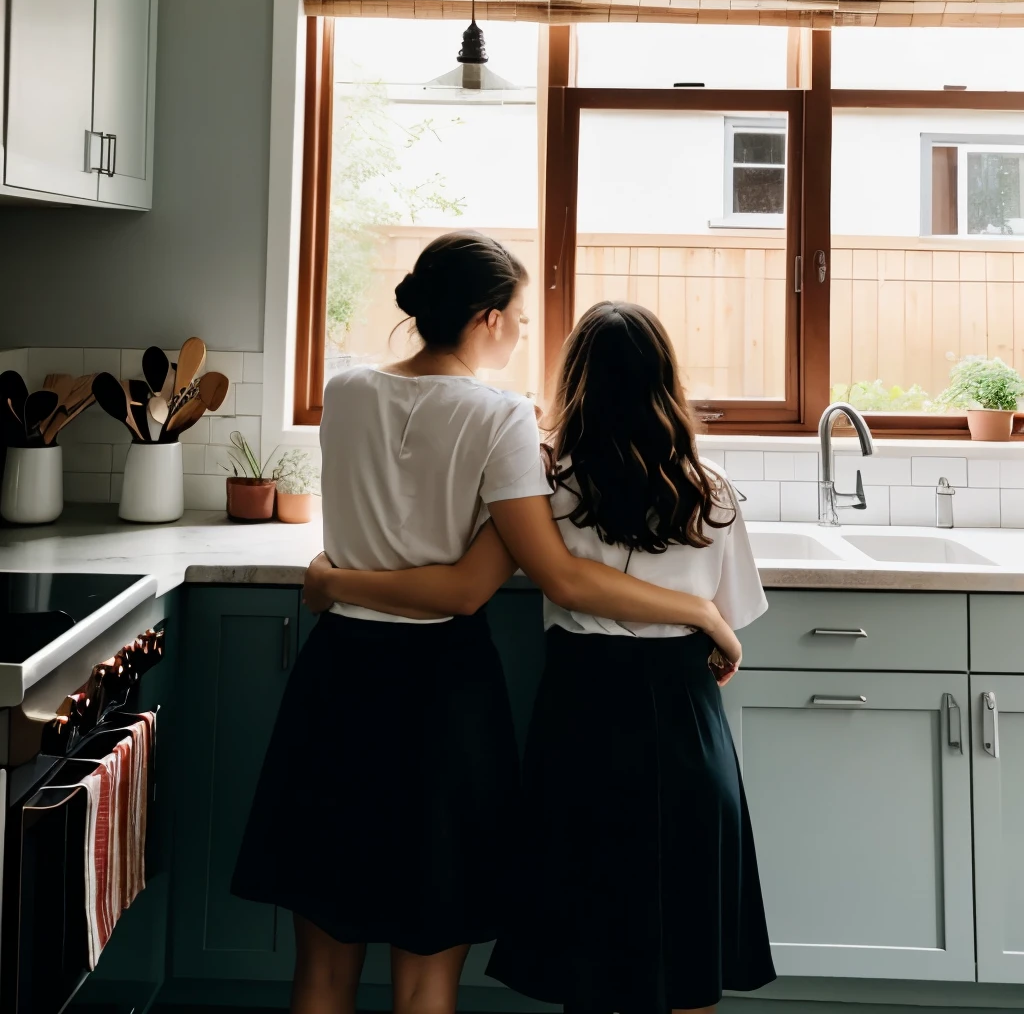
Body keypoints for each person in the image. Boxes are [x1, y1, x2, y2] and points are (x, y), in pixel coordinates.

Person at [232, 235, 743, 1014]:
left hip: (335, 678)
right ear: (488, 318)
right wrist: (702, 610)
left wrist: (338, 581)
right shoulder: (503, 418)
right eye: (519, 318)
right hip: (437, 692)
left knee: (324, 966)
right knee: (426, 972)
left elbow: (366, 537)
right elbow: (489, 586)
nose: (523, 333)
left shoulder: (344, 391)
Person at [487, 301, 776, 1014]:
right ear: (665, 384)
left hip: (580, 715)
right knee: (690, 947)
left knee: (588, 952)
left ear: (578, 385)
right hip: (684, 715)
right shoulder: (711, 495)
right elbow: (731, 617)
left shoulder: (550, 493)